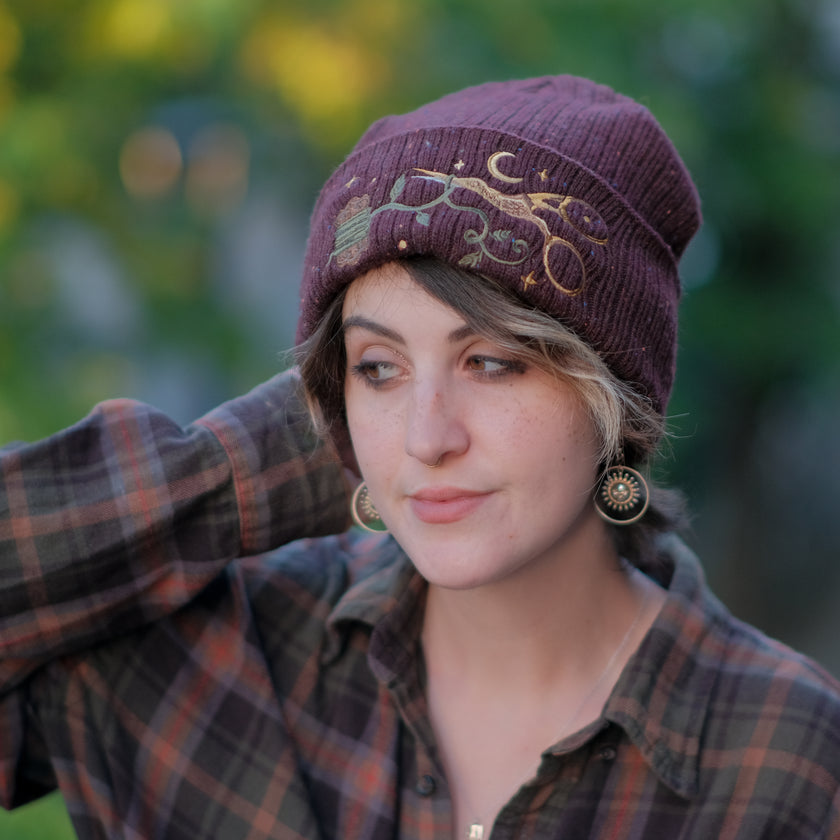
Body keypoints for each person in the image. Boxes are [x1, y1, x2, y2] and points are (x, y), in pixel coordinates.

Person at [1, 75, 839, 840]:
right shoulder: (208, 654)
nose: (426, 437)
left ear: (612, 398)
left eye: (493, 363)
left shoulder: (788, 757)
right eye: (378, 369)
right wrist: (262, 460)